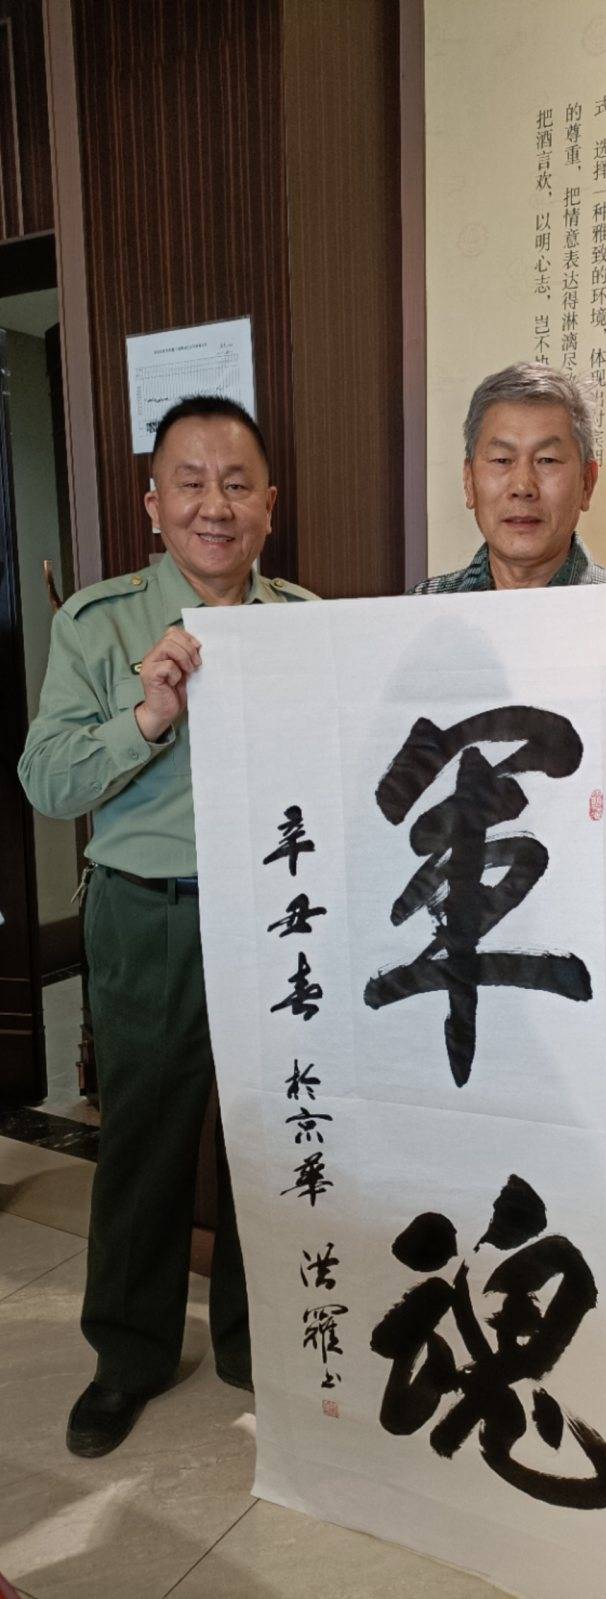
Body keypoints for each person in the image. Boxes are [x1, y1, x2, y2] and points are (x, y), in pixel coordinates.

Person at [18, 396, 316, 1457]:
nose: (213, 505)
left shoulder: (303, 621)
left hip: (277, 912)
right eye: (189, 483)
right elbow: (48, 781)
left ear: (270, 504)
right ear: (153, 504)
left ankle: (255, 1343)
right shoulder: (97, 623)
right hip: (148, 912)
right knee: (143, 1140)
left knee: (270, 1135)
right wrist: (146, 714)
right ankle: (128, 1356)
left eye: (236, 483)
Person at [409, 363, 606, 826]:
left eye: (547, 461)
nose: (523, 486)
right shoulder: (421, 611)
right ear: (468, 481)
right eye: (501, 461)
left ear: (587, 483)